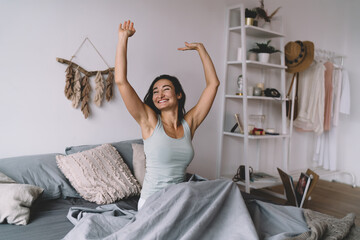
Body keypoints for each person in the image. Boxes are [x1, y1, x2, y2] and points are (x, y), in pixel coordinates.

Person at [115, 20, 220, 210]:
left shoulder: (189, 123)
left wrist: (201, 50)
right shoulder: (149, 121)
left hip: (178, 201)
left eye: (166, 89)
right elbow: (121, 81)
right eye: (155, 91)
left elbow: (213, 85)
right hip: (153, 204)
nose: (160, 95)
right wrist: (123, 39)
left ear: (178, 94)